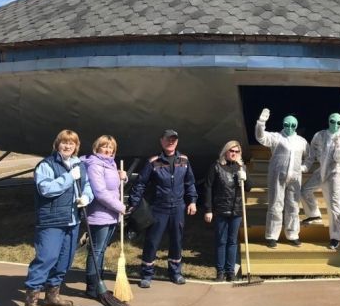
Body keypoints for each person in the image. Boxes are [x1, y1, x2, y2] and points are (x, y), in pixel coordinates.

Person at [22, 129, 93, 306]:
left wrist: (87, 197)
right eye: (64, 142)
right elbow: (45, 189)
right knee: (46, 259)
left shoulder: (79, 164)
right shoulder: (46, 165)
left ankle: (52, 295)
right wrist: (70, 177)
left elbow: (87, 185)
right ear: (57, 144)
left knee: (65, 260)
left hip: (72, 220)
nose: (68, 146)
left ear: (76, 146)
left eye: (72, 143)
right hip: (52, 221)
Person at [129, 129, 198, 288]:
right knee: (152, 242)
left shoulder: (184, 160)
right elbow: (140, 183)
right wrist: (134, 203)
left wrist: (192, 201)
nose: (171, 142)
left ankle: (175, 273)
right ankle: (147, 274)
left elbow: (190, 183)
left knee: (177, 241)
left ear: (177, 142)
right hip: (158, 208)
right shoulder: (153, 162)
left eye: (174, 139)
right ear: (161, 141)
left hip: (178, 208)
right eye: (168, 139)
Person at [81, 135, 127, 298]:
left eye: (111, 147)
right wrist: (120, 207)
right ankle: (92, 287)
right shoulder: (94, 165)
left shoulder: (110, 163)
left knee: (101, 250)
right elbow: (100, 192)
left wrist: (123, 177)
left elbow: (114, 186)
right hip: (99, 215)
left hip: (111, 214)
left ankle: (98, 282)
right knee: (96, 251)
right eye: (104, 146)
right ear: (97, 147)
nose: (108, 150)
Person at [255, 108, 308, 248]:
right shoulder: (276, 137)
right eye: (287, 124)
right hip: (277, 175)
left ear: (296, 126)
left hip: (295, 177)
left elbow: (310, 156)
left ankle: (292, 234)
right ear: (283, 125)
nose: (289, 127)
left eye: (292, 125)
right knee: (275, 205)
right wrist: (261, 122)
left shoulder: (301, 141)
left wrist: (305, 167)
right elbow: (260, 137)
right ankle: (272, 236)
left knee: (293, 206)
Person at [300, 113, 340, 250]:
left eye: (339, 123)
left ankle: (335, 237)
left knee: (334, 205)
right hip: (321, 171)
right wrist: (305, 166)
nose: (335, 125)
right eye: (332, 121)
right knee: (304, 190)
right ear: (328, 121)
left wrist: (338, 144)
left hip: (335, 173)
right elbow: (312, 154)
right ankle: (314, 214)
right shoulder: (319, 135)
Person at [203, 140, 252, 282]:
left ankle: (230, 272)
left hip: (236, 209)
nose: (234, 154)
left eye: (237, 152)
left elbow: (249, 187)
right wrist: (208, 209)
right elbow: (208, 188)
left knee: (232, 241)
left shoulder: (241, 167)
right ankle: (220, 272)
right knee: (221, 241)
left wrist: (245, 177)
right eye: (232, 151)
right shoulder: (216, 167)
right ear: (226, 151)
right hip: (221, 210)